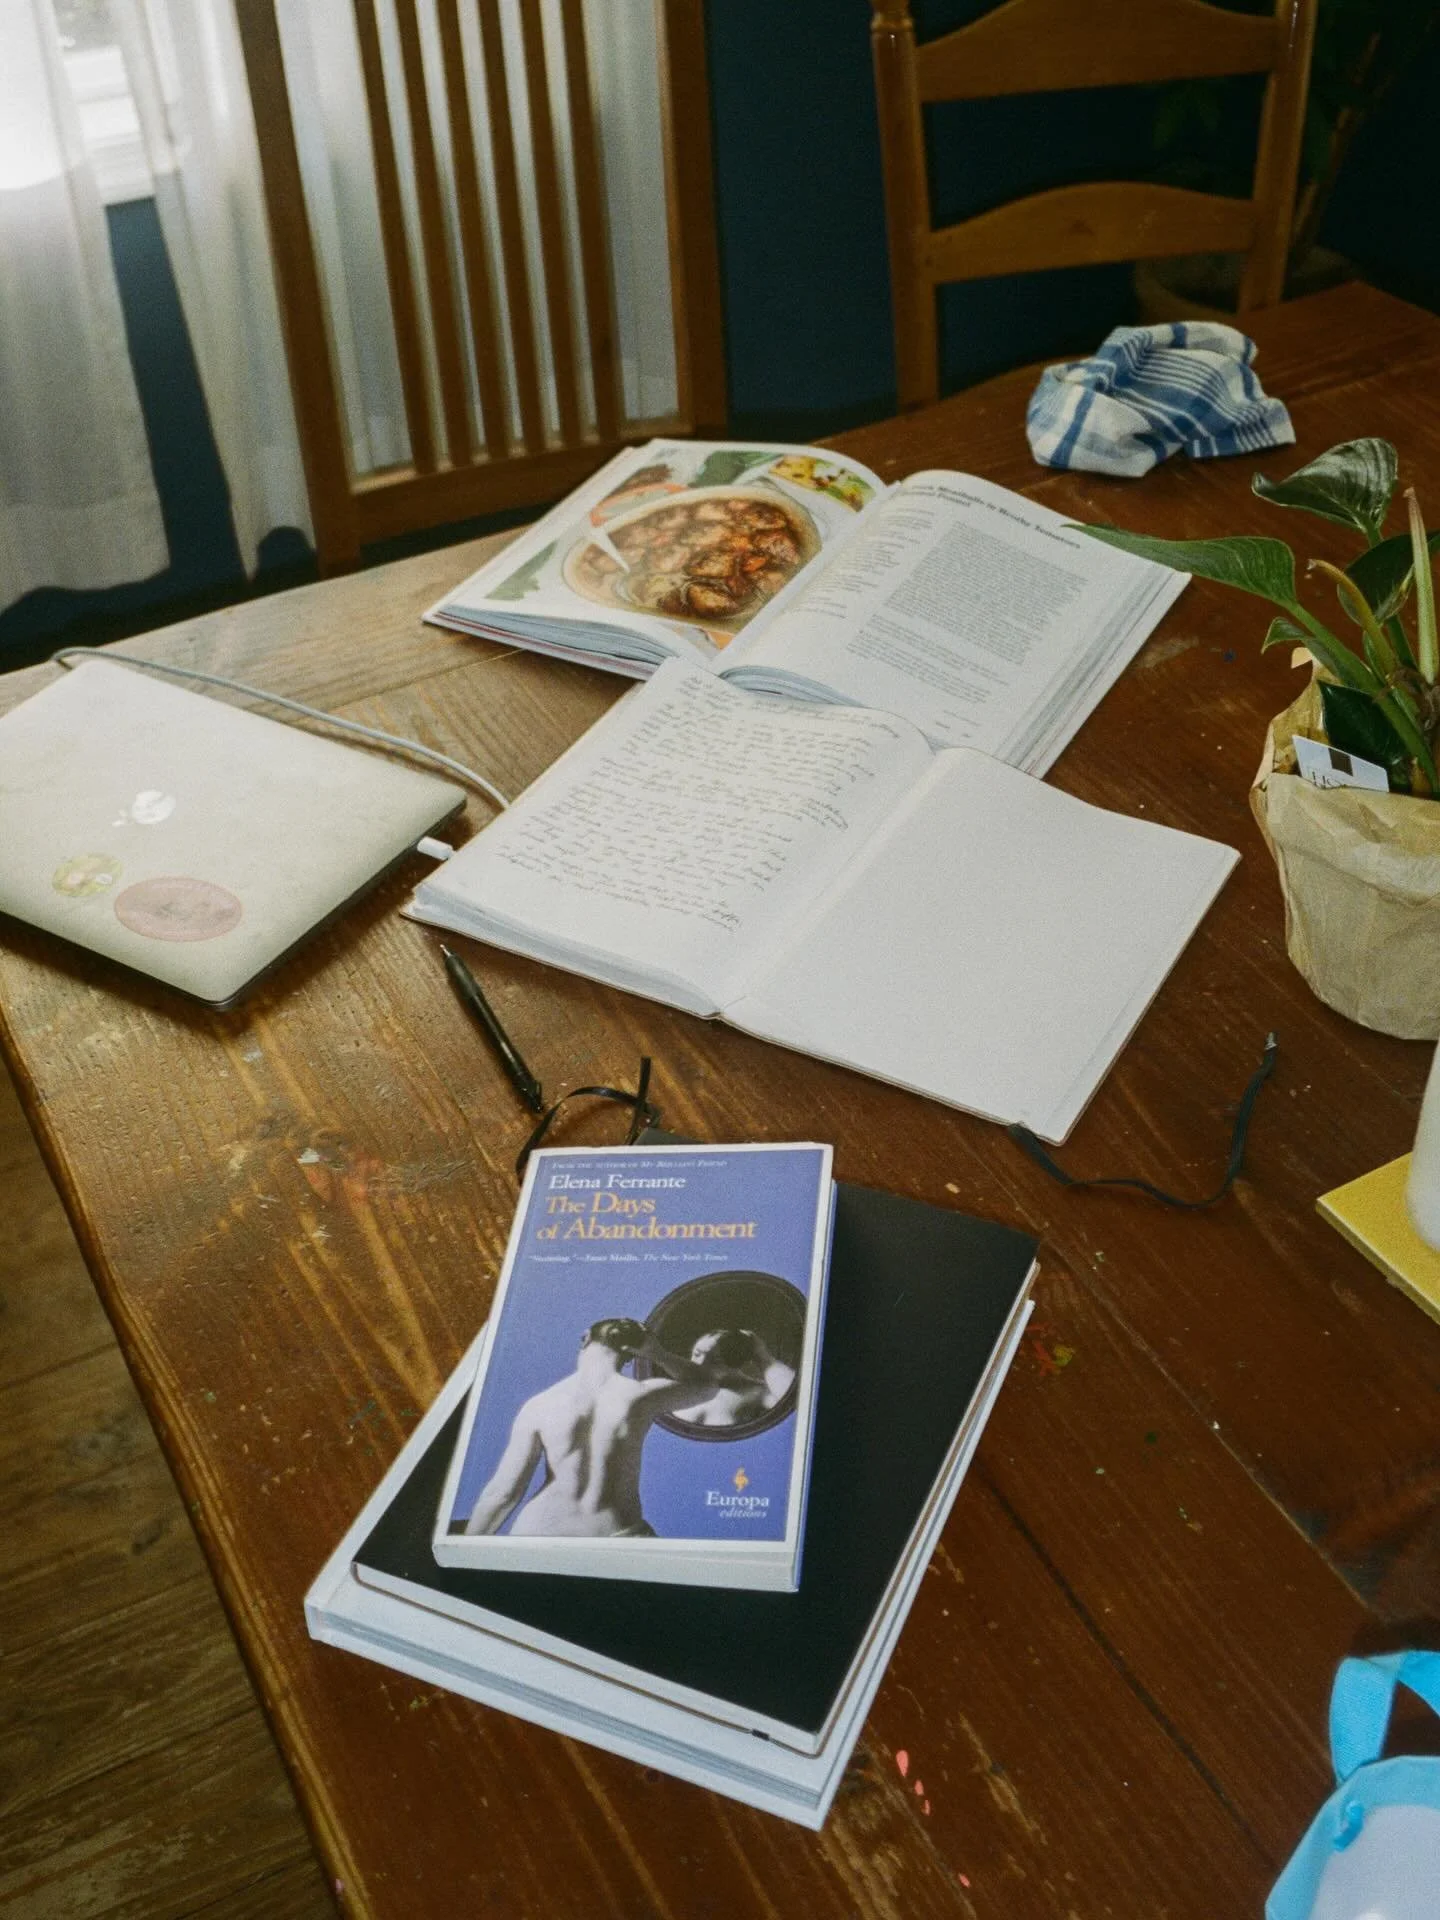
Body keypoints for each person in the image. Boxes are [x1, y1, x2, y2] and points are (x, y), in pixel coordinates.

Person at [462, 1317, 724, 1538]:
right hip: (616, 1533)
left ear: (585, 1338)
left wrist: (467, 1547)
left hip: (539, 1533)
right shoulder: (640, 1395)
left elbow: (503, 1493)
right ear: (630, 1355)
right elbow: (707, 1385)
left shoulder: (539, 1406)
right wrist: (657, 1353)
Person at [673, 1328, 796, 1428]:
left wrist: (764, 1358)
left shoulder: (757, 1390)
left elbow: (799, 1403)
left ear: (736, 1362)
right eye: (697, 1354)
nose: (700, 1363)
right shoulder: (677, 1388)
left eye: (715, 1360)